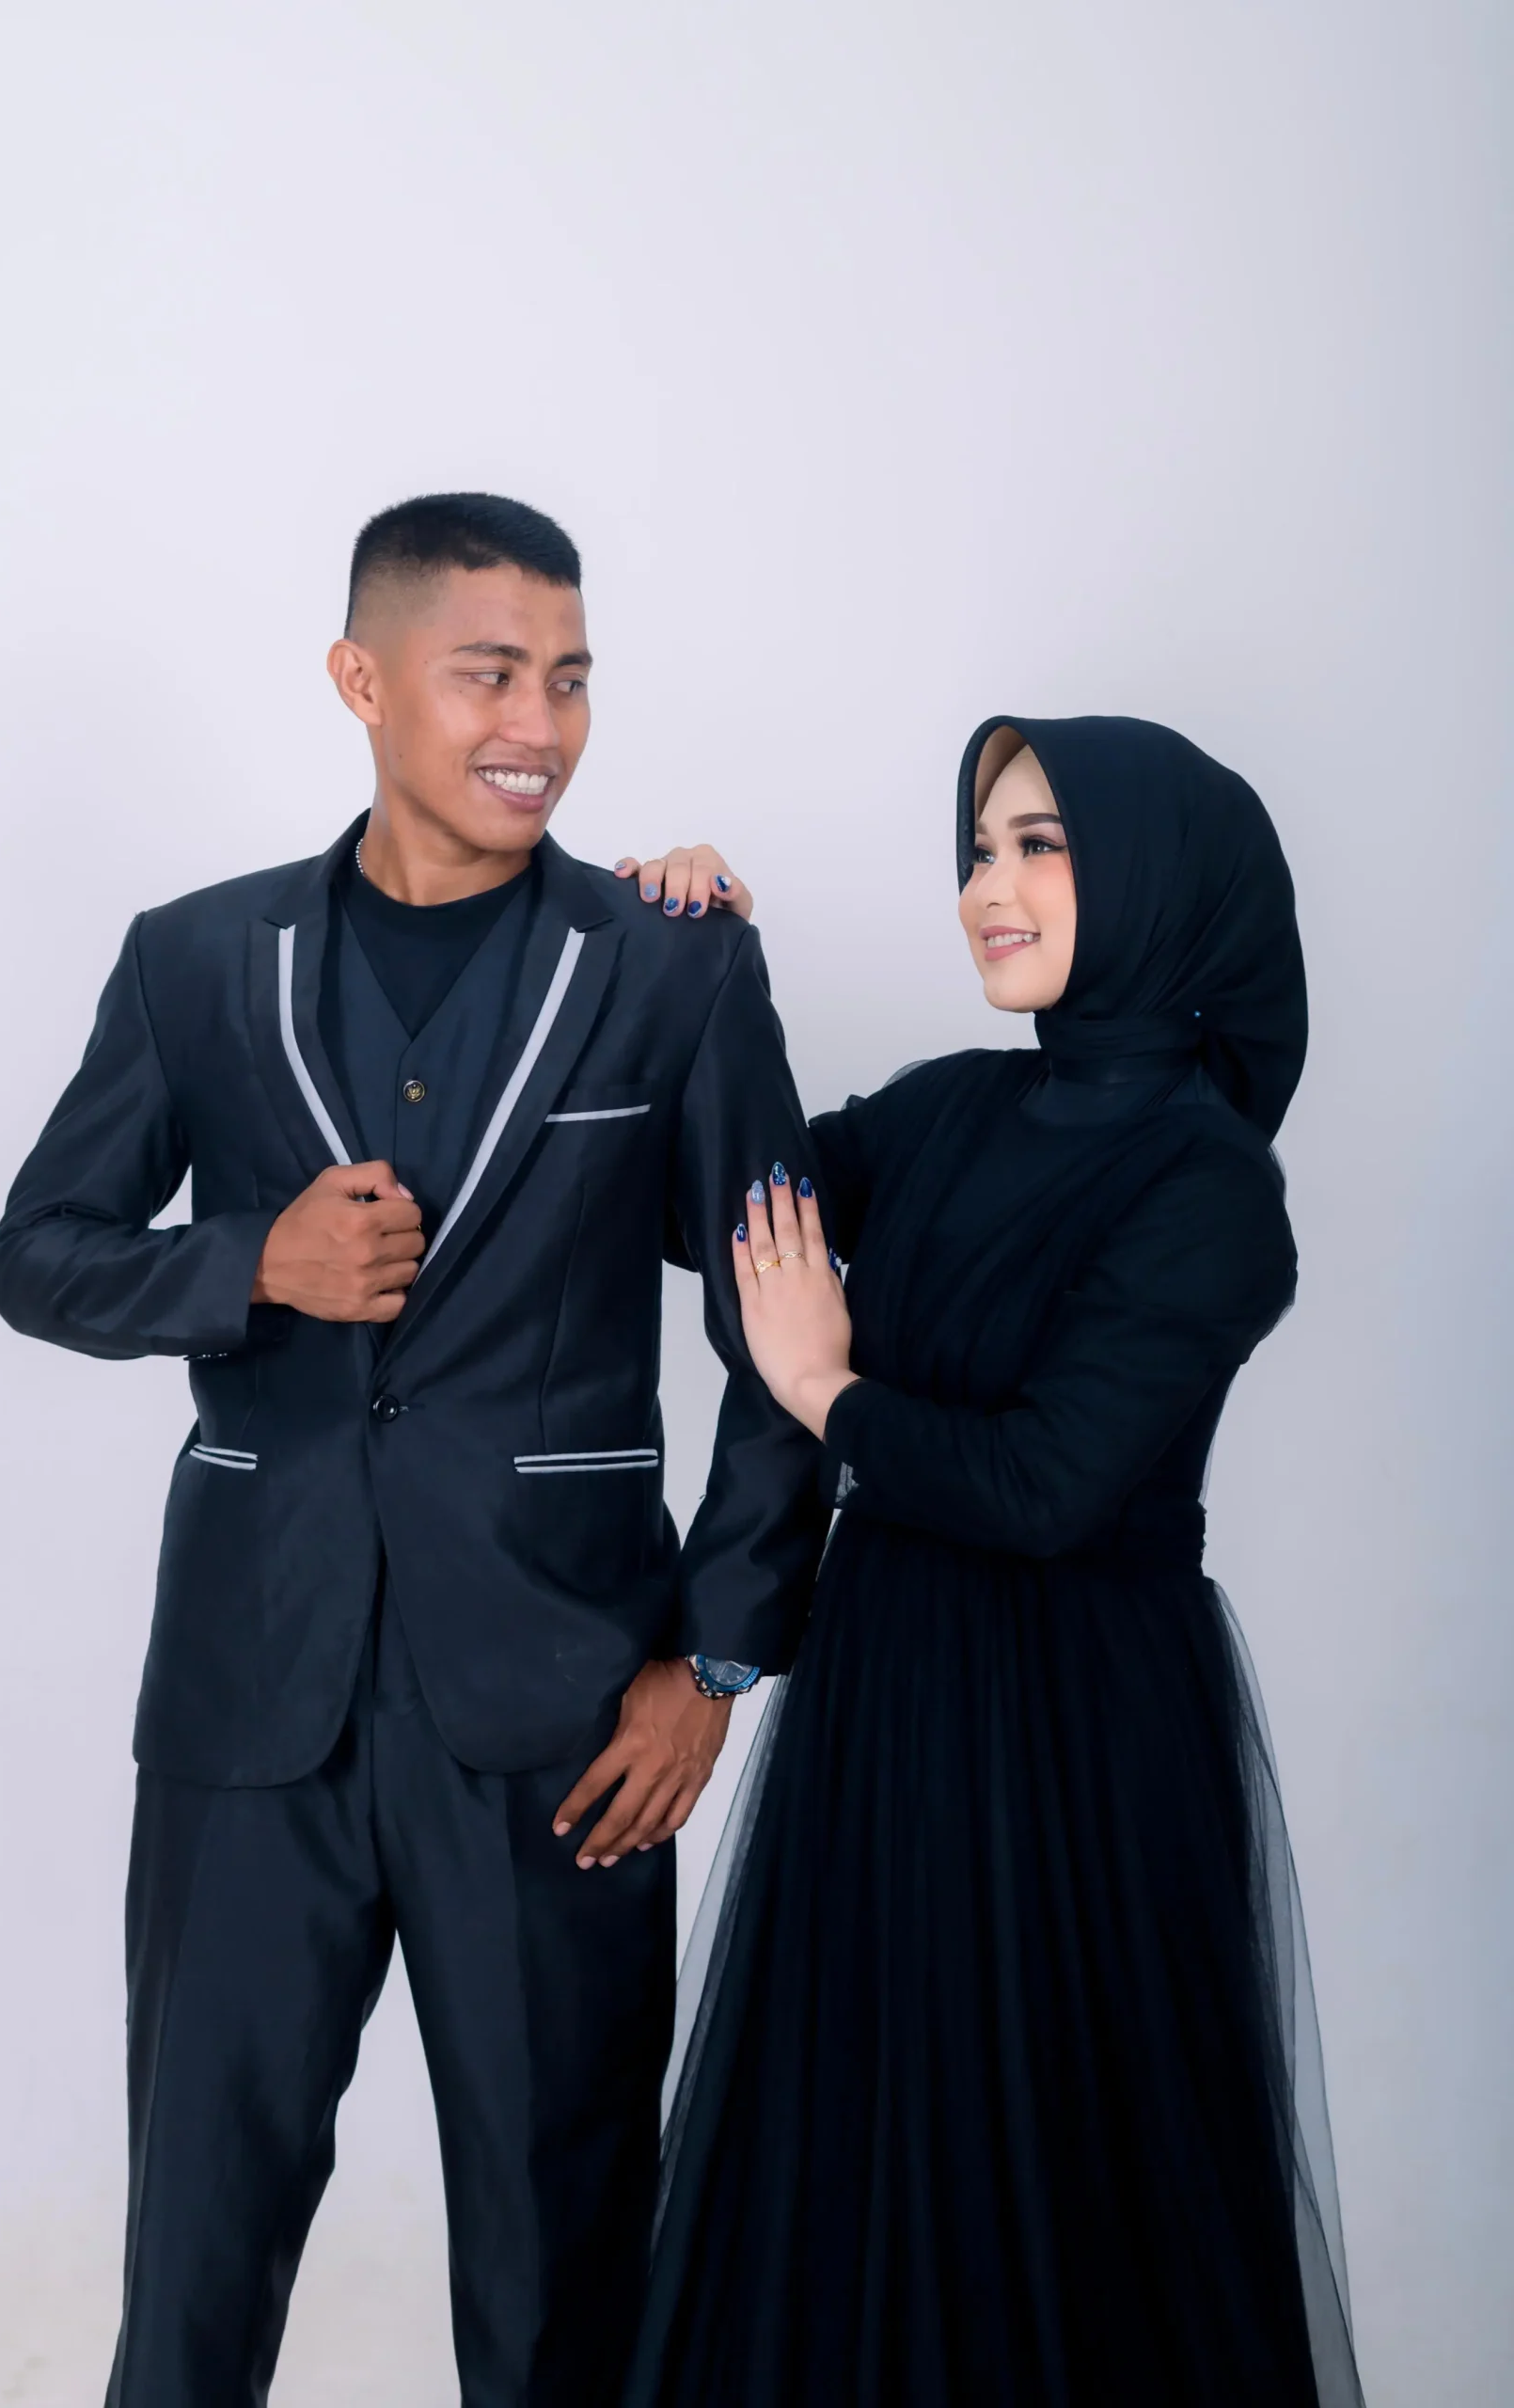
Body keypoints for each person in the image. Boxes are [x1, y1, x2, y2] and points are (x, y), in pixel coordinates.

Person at [0, 492, 826, 2408]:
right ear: (361, 682)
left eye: (571, 678)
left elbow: (783, 1323)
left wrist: (713, 1658)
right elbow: (36, 1253)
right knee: (194, 2267)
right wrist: (246, 1264)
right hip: (247, 1695)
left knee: (560, 2279)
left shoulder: (672, 964)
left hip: (561, 1723)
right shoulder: (196, 957)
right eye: (489, 674)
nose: (539, 723)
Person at [618, 717, 1366, 2407]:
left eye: (1039, 845)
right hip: (889, 1697)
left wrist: (826, 1389)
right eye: (976, 849)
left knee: (1051, 2176)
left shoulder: (1209, 1184)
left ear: (1160, 882)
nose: (984, 889)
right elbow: (717, 1209)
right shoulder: (951, 1110)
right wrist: (702, 964)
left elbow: (1044, 1488)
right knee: (863, 2151)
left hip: (1075, 1740)